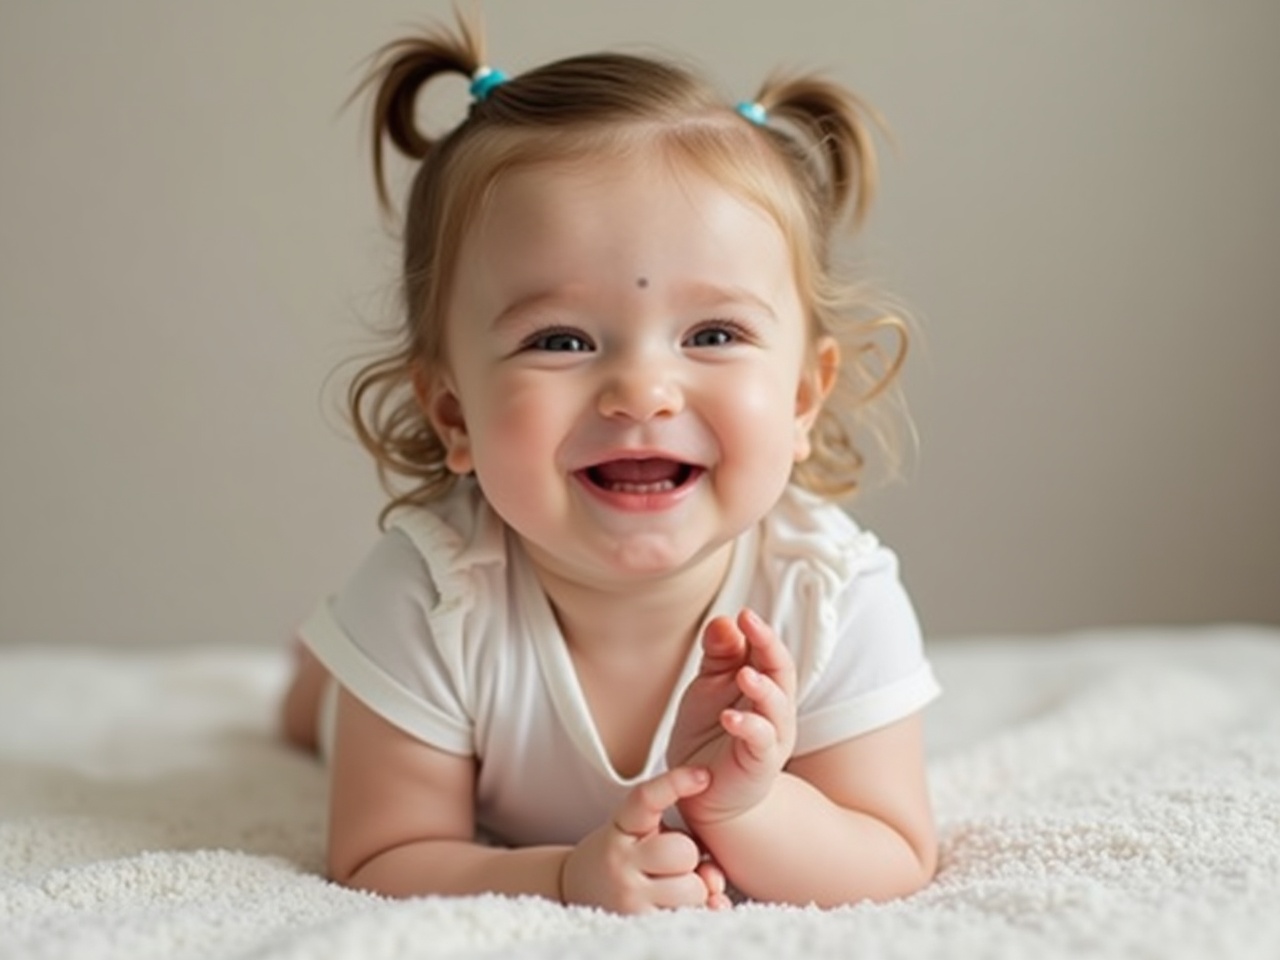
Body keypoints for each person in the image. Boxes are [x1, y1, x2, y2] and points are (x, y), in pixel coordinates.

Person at [281, 11, 940, 914]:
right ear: (452, 411)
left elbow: (894, 852)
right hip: (407, 679)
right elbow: (382, 854)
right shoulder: (427, 601)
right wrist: (559, 876)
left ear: (800, 398)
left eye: (712, 333)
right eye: (559, 339)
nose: (642, 392)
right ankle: (318, 678)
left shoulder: (830, 595)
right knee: (312, 716)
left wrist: (750, 808)